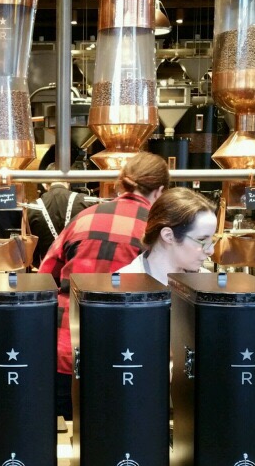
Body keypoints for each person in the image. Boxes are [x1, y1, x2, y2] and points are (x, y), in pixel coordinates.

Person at [39, 152, 170, 419]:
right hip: (124, 353)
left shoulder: (84, 217)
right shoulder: (157, 229)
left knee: (64, 432)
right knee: (114, 431)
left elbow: (44, 277)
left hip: (66, 347)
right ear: (159, 190)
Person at [117, 188, 216, 284]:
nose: (211, 251)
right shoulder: (124, 285)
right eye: (202, 239)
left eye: (212, 240)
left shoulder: (207, 282)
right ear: (168, 236)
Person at [26, 181, 89, 268]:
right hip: (79, 269)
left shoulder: (32, 208)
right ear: (68, 183)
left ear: (44, 184)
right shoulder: (86, 202)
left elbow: (31, 248)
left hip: (47, 269)